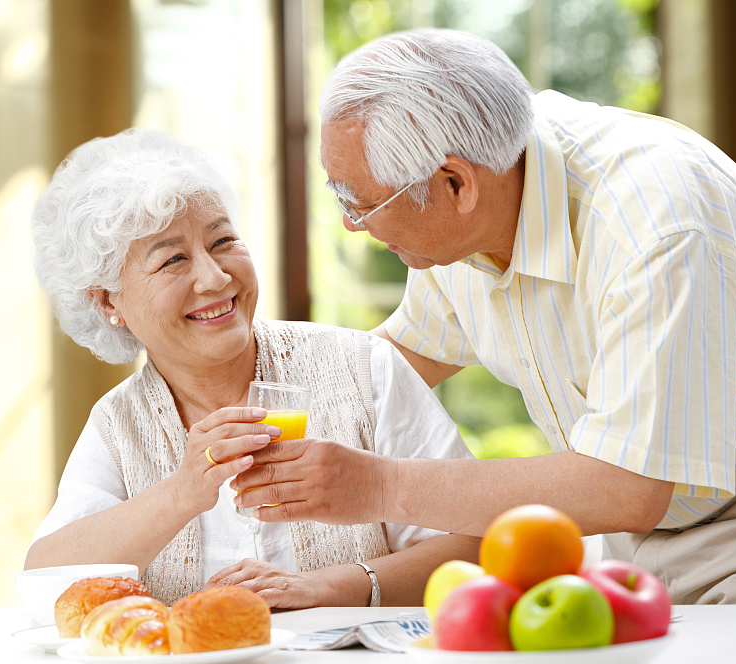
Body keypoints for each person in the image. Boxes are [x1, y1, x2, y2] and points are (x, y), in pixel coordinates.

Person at [233, 28, 736, 604]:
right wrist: (227, 399)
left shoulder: (654, 225)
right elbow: (397, 361)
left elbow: (629, 485)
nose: (351, 224)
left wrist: (379, 484)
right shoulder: (473, 196)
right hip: (625, 545)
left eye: (361, 202)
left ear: (455, 184)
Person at [24, 128, 480, 608]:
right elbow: (44, 586)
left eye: (223, 241)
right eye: (173, 260)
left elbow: (475, 543)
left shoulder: (364, 368)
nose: (215, 276)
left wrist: (336, 586)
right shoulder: (119, 425)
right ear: (107, 302)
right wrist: (180, 494)